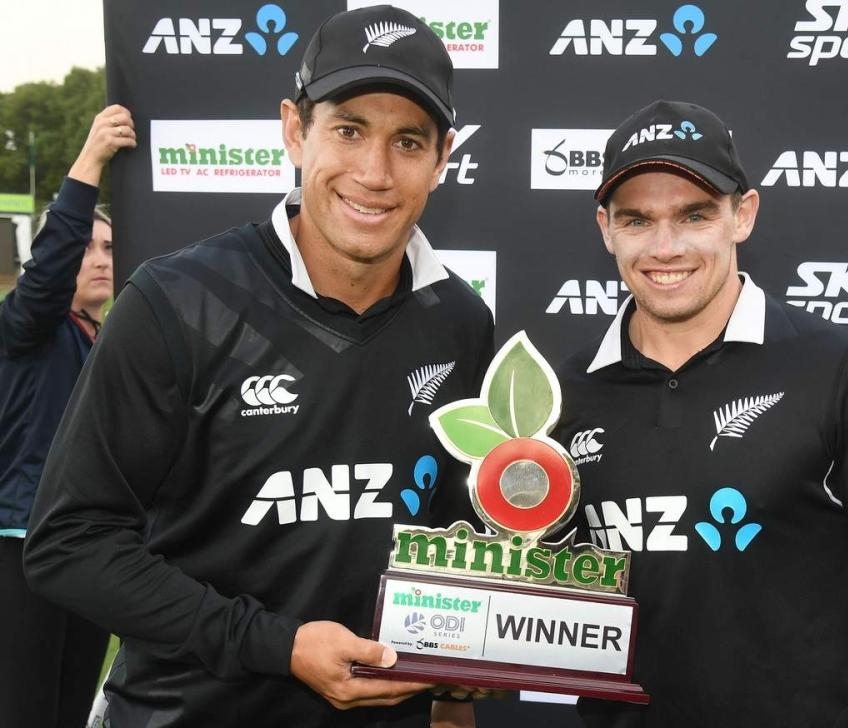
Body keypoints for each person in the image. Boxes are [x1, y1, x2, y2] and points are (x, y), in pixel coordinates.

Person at [23, 6, 493, 728]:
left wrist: (461, 683)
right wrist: (276, 645)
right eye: (348, 130)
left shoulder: (459, 321)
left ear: (443, 158)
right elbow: (69, 544)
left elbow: (452, 532)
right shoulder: (175, 301)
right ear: (295, 130)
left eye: (407, 141)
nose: (374, 172)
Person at [553, 100, 848, 726]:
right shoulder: (562, 394)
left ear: (741, 215)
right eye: (637, 220)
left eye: (694, 215)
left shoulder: (842, 372)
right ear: (605, 229)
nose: (665, 247)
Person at [0, 104, 132, 728]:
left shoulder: (101, 340)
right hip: (20, 548)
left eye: (109, 247)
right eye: (86, 246)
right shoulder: (27, 328)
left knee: (70, 708)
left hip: (84, 552)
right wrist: (90, 163)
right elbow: (46, 276)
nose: (100, 257)